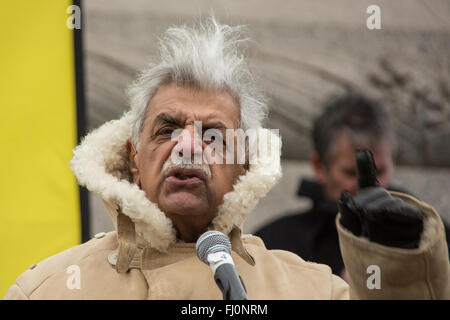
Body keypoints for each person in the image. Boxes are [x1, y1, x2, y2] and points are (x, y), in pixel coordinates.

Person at [4, 18, 449, 300]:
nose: (189, 147)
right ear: (132, 159)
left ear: (244, 167)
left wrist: (397, 264)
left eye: (213, 136)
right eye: (167, 129)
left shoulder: (312, 291)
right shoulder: (48, 290)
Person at [255, 93, 450, 280]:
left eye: (380, 171)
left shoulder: (432, 236)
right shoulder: (276, 244)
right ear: (319, 166)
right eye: (351, 173)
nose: (369, 186)